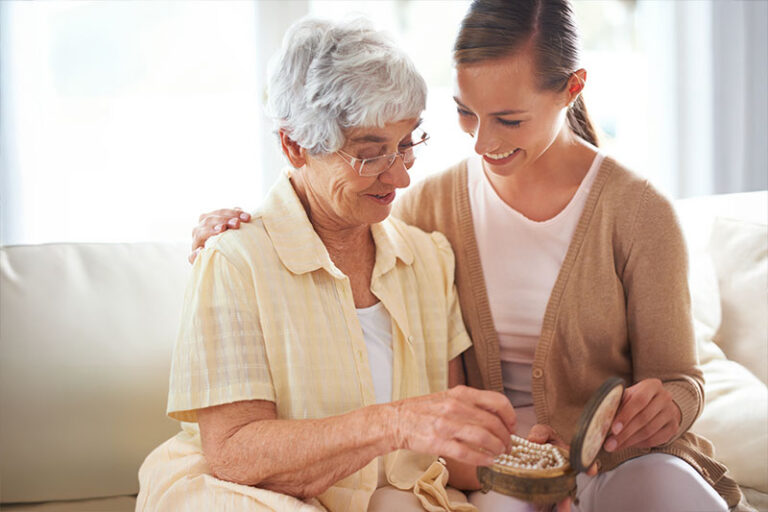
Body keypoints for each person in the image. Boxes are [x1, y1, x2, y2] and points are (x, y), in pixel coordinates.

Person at [192, 1, 747, 511]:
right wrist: (237, 229)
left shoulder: (635, 211)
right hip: (500, 472)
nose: (482, 143)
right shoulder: (427, 212)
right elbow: (323, 202)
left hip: (603, 461)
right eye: (464, 113)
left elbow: (679, 379)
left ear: (571, 89)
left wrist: (665, 407)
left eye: (508, 119)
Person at [137, 16, 522, 512]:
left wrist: (526, 461)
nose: (401, 177)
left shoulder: (426, 258)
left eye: (407, 144)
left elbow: (437, 448)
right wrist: (396, 421)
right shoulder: (234, 261)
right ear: (294, 146)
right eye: (371, 154)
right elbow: (234, 454)